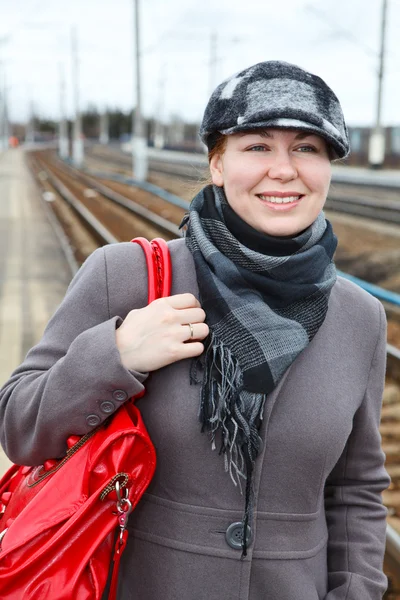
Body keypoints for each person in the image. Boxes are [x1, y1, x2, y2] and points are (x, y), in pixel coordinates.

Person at [0, 61, 390, 600]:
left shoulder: (359, 318)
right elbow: (20, 426)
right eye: (257, 146)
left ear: (328, 167)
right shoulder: (127, 275)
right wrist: (117, 356)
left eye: (306, 148)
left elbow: (356, 492)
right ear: (216, 163)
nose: (283, 169)